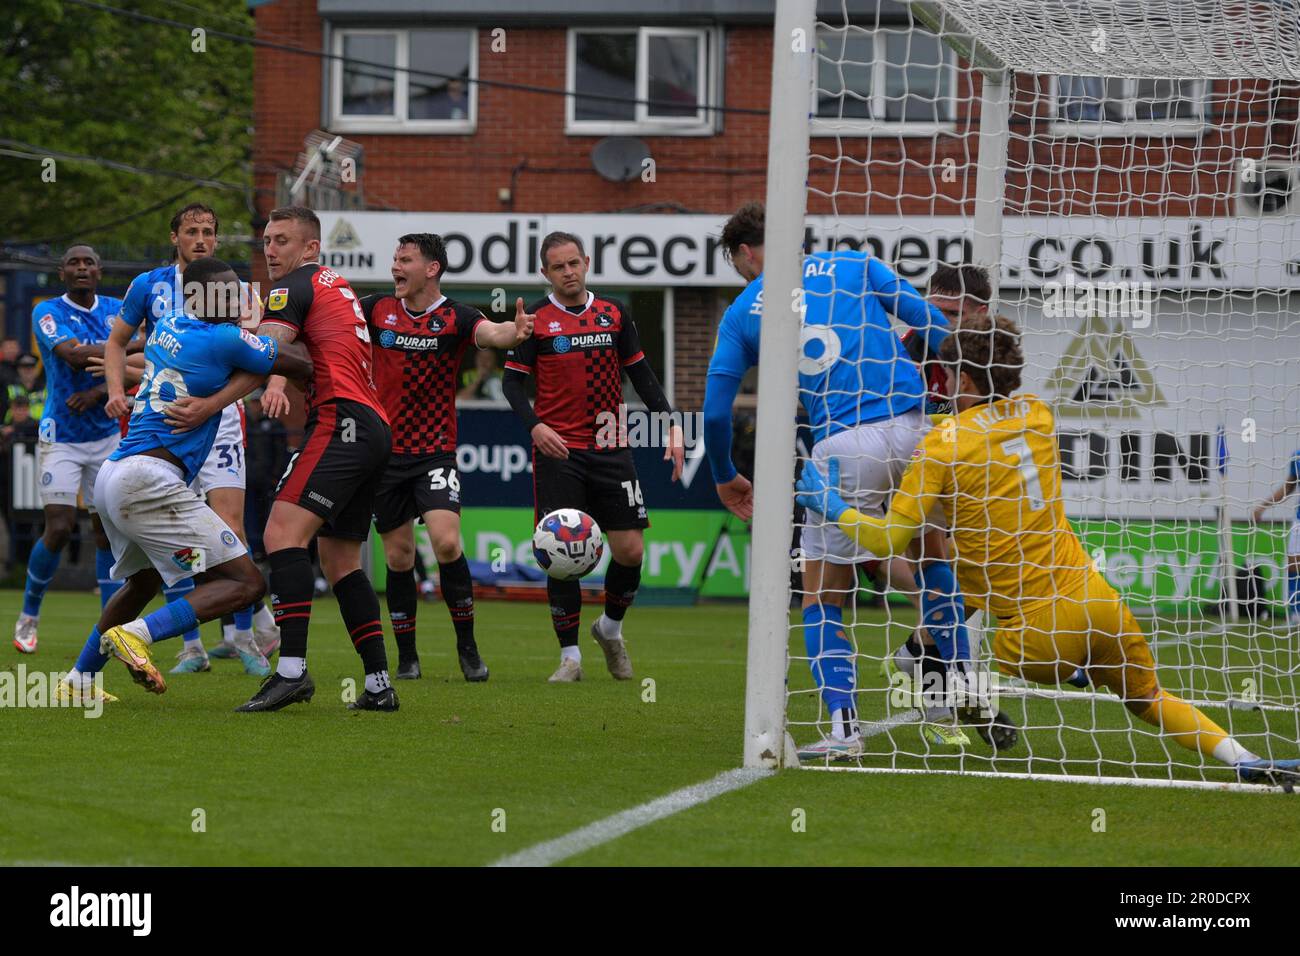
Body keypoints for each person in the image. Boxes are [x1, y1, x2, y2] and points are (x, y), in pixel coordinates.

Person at [795, 313, 1300, 787]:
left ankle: (942, 668)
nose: (942, 388)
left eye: (947, 377)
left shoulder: (943, 444)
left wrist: (830, 503)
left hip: (1038, 641)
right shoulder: (1037, 415)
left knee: (976, 633)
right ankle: (1245, 759)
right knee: (1148, 696)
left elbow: (887, 541)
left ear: (965, 381)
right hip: (1099, 602)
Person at [703, 202, 976, 758]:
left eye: (739, 263)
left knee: (824, 595)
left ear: (747, 253)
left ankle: (846, 731)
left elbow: (713, 412)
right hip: (915, 431)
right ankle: (953, 691)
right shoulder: (854, 264)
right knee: (933, 559)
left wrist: (726, 475)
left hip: (844, 447)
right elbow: (933, 324)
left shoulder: (741, 310)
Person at [168, 206, 396, 713]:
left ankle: (291, 671)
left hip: (342, 421)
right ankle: (380, 684)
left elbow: (265, 353)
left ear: (311, 247)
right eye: (267, 240)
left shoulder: (289, 287)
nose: (270, 250)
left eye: (282, 240)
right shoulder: (337, 285)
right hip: (371, 426)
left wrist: (208, 401)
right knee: (340, 563)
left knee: (279, 536)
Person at [58, 257, 313, 703]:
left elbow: (238, 363)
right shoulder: (224, 338)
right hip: (148, 482)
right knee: (247, 583)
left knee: (143, 582)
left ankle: (78, 681)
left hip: (118, 474)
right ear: (202, 297)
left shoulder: (172, 323)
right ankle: (137, 635)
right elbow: (300, 363)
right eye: (229, 292)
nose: (238, 298)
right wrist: (293, 326)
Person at [104, 202, 279, 676]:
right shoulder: (149, 285)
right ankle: (191, 645)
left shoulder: (237, 290)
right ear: (174, 237)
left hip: (218, 419)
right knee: (178, 550)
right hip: (164, 418)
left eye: (209, 232)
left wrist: (218, 401)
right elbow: (118, 342)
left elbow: (257, 359)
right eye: (191, 231)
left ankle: (243, 639)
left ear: (217, 240)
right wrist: (117, 391)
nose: (200, 238)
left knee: (230, 530)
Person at [503, 231, 683, 683]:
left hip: (611, 446)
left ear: (586, 262)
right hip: (559, 451)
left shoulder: (614, 313)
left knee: (630, 549)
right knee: (559, 553)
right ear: (545, 273)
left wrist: (672, 424)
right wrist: (536, 426)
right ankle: (570, 658)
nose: (568, 272)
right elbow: (511, 384)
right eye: (558, 267)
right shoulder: (536, 321)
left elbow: (641, 374)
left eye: (573, 263)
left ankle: (609, 630)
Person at [360, 233, 531, 681]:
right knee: (398, 559)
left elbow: (492, 334)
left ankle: (468, 649)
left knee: (447, 542)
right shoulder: (376, 308)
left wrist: (515, 332)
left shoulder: (457, 316)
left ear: (431, 269)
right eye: (394, 258)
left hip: (435, 451)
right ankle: (408, 658)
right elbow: (329, 325)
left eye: (406, 260)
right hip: (385, 454)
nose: (396, 266)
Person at [13, 245, 124, 654]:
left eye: (89, 262)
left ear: (99, 269)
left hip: (107, 435)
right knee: (59, 528)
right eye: (74, 263)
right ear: (62, 272)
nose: (82, 268)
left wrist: (100, 390)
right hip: (61, 435)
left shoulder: (117, 307)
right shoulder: (48, 312)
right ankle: (29, 615)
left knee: (106, 532)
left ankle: (108, 630)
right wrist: (123, 346)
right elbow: (73, 355)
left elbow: (152, 351)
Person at [1252, 450, 1300, 626]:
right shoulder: (1298, 456)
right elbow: (1288, 487)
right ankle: (1295, 614)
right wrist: (1263, 506)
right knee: (1294, 563)